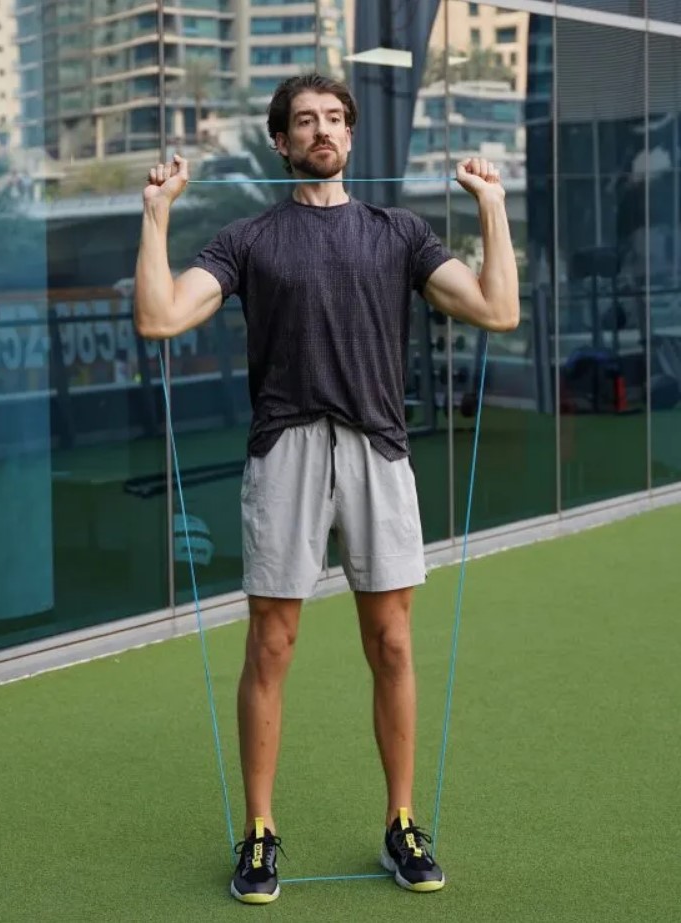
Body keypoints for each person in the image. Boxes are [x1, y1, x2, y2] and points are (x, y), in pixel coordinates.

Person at [134, 73, 519, 905]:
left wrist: (490, 203)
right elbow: (160, 317)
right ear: (280, 141)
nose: (322, 131)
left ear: (351, 136)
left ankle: (402, 822)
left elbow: (496, 309)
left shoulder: (400, 232)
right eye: (305, 121)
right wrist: (157, 211)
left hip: (378, 450)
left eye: (334, 119)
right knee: (271, 646)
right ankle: (261, 830)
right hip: (286, 451)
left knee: (390, 643)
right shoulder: (248, 238)